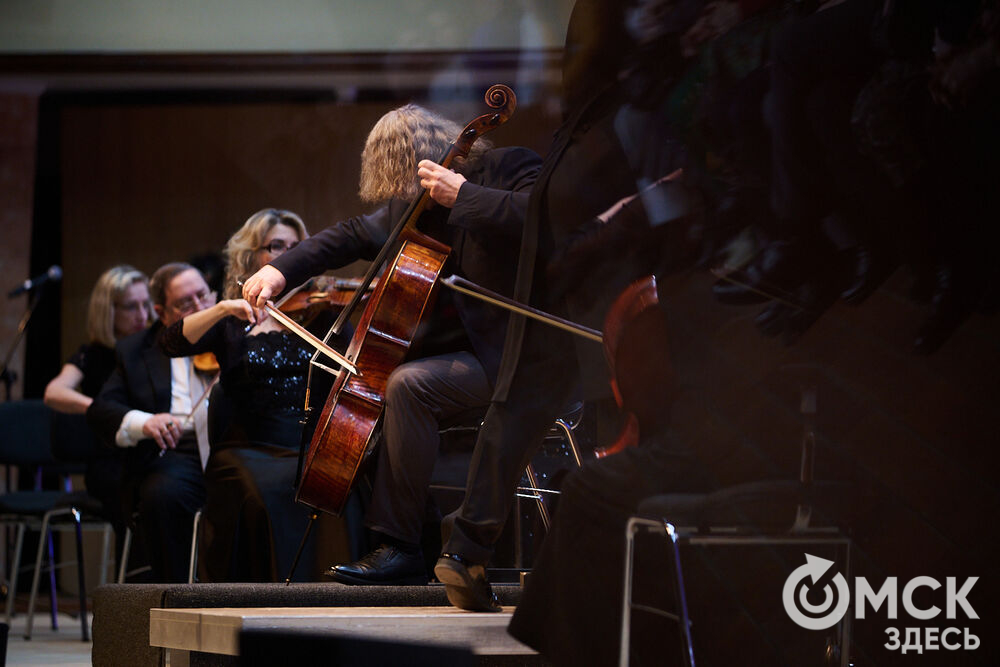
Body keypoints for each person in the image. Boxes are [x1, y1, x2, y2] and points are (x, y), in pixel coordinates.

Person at [241, 103, 542, 585]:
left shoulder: (508, 167)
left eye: (405, 177)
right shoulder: (413, 204)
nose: (403, 195)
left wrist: (464, 196)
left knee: (409, 386)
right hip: (466, 361)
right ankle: (411, 541)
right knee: (375, 400)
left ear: (429, 153)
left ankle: (400, 548)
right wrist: (279, 271)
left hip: (520, 353)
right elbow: (349, 235)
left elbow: (545, 219)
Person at [159, 208, 355, 582]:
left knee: (345, 484)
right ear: (252, 257)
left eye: (298, 246)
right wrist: (218, 308)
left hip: (310, 447)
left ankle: (332, 601)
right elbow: (169, 342)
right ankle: (268, 600)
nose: (288, 253)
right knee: (269, 488)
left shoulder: (326, 315)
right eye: (276, 245)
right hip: (249, 448)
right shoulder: (234, 322)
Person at [87, 262, 215, 583]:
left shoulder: (235, 334)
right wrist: (145, 422)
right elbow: (102, 408)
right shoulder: (136, 349)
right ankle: (174, 599)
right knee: (162, 494)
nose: (200, 308)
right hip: (175, 453)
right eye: (186, 303)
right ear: (162, 312)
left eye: (204, 296)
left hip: (229, 447)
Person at [44, 264, 154, 544]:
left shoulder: (155, 349)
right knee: (136, 495)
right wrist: (102, 410)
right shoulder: (93, 355)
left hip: (151, 454)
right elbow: (54, 392)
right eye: (131, 307)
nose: (142, 315)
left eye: (146, 304)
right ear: (109, 310)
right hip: (110, 462)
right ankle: (133, 583)